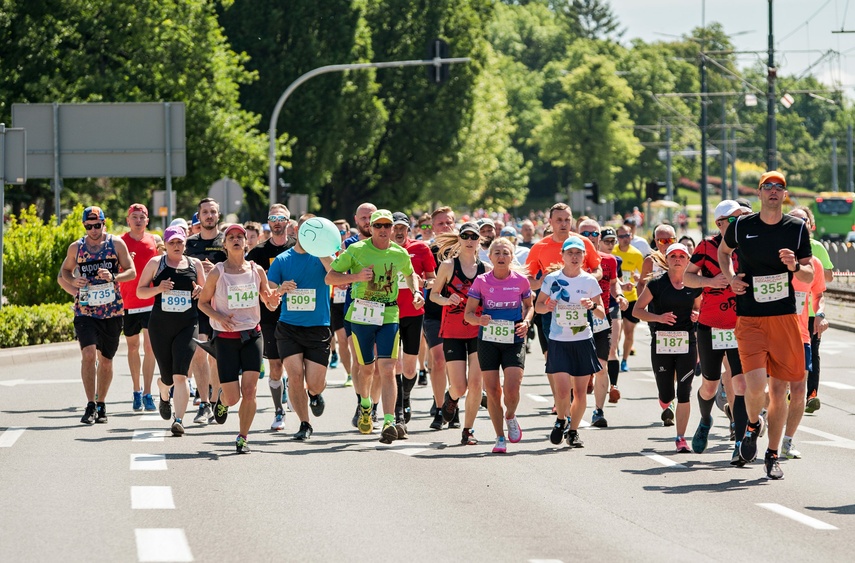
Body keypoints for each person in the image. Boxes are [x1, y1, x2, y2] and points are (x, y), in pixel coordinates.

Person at [719, 171, 814, 480]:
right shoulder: (742, 225)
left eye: (779, 187)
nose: (774, 191)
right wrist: (731, 277)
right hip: (750, 318)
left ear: (784, 195)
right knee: (755, 385)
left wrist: (795, 266)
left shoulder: (796, 229)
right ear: (759, 193)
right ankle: (751, 425)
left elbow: (809, 276)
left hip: (785, 318)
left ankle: (772, 454)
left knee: (780, 389)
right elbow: (724, 251)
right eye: (768, 187)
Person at [326, 209, 423, 444]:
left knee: (388, 368)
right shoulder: (356, 250)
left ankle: (389, 421)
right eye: (377, 226)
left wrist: (416, 291)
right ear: (370, 227)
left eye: (386, 226)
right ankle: (366, 405)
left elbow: (411, 275)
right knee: (366, 369)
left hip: (389, 313)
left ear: (392, 228)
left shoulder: (399, 253)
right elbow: (330, 277)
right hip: (361, 315)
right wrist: (356, 277)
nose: (382, 230)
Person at [197, 224, 280, 453]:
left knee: (251, 390)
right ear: (225, 244)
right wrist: (219, 316)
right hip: (225, 338)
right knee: (234, 398)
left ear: (246, 243)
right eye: (231, 237)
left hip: (252, 334)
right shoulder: (218, 272)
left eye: (240, 237)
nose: (236, 240)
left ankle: (243, 436)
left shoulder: (256, 270)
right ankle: (222, 399)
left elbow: (268, 301)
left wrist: (273, 299)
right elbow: (202, 303)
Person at [684, 200, 748, 461]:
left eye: (743, 219)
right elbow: (688, 277)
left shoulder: (749, 246)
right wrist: (710, 281)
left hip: (741, 325)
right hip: (710, 325)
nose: (739, 225)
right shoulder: (707, 246)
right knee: (709, 386)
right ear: (720, 223)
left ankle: (741, 440)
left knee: (740, 382)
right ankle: (706, 419)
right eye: (734, 220)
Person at [60, 206, 136, 424]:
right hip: (85, 310)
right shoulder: (77, 248)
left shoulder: (116, 244)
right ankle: (90, 405)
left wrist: (113, 276)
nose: (94, 230)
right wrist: (73, 281)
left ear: (104, 223)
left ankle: (101, 402)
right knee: (89, 354)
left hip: (111, 310)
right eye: (89, 226)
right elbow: (65, 271)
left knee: (106, 361)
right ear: (85, 226)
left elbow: (131, 271)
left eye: (98, 225)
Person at [525, 204, 602, 404]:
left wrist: (586, 281)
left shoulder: (583, 242)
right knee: (553, 355)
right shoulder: (539, 247)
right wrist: (545, 283)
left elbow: (597, 269)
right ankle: (561, 399)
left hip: (580, 307)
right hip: (551, 308)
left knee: (581, 354)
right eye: (559, 220)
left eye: (567, 219)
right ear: (550, 222)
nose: (563, 224)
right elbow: (528, 279)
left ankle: (578, 386)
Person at [268, 214, 334, 440]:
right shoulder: (282, 260)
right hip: (289, 327)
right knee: (294, 376)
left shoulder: (323, 257)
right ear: (296, 230)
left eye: (315, 230)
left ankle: (314, 394)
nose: (309, 234)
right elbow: (268, 294)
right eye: (306, 229)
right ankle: (305, 423)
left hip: (318, 327)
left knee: (315, 383)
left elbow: (338, 275)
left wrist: (323, 251)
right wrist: (280, 290)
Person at [534, 236, 605, 449]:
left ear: (584, 257)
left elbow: (601, 313)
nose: (574, 257)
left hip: (582, 340)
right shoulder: (552, 279)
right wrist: (547, 305)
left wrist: (591, 306)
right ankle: (561, 420)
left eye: (578, 253)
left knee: (581, 392)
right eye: (570, 253)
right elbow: (537, 306)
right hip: (558, 340)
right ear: (562, 256)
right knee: (564, 391)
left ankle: (573, 431)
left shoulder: (589, 281)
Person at [633, 243, 703, 452]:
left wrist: (697, 315)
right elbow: (637, 310)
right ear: (667, 259)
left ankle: (681, 438)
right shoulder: (656, 284)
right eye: (674, 256)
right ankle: (665, 402)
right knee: (666, 394)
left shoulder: (694, 284)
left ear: (688, 259)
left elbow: (700, 309)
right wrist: (658, 318)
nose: (678, 259)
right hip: (662, 343)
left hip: (687, 343)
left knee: (684, 391)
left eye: (682, 256)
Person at [465, 238, 533, 453]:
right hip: (488, 340)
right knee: (493, 391)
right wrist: (479, 320)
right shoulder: (482, 281)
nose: (501, 256)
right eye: (497, 253)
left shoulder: (521, 281)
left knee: (512, 389)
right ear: (490, 257)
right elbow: (468, 314)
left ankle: (510, 415)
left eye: (505, 253)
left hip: (513, 337)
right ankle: (499, 437)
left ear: (512, 257)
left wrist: (527, 321)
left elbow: (529, 307)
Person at [136, 226, 205, 436]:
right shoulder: (157, 263)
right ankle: (163, 392)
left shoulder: (195, 264)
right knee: (167, 378)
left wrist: (201, 291)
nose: (176, 246)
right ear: (165, 245)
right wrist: (158, 288)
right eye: (172, 242)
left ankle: (179, 419)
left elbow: (206, 294)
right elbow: (140, 291)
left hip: (188, 324)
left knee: (181, 375)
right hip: (161, 326)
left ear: (185, 243)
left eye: (180, 242)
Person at [431, 223, 488, 445]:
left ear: (479, 241)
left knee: (475, 384)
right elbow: (434, 295)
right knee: (460, 386)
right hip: (453, 329)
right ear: (460, 238)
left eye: (474, 236)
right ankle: (451, 397)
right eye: (465, 236)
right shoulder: (448, 266)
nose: (470, 240)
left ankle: (468, 430)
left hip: (477, 329)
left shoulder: (485, 269)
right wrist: (447, 299)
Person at [246, 204, 296, 431]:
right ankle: (279, 410)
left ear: (288, 222)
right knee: (275, 365)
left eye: (281, 218)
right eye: (272, 218)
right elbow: (246, 280)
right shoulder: (258, 252)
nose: (277, 222)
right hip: (269, 315)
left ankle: (301, 393)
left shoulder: (298, 248)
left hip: (297, 314)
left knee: (296, 365)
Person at [390, 212, 436, 430]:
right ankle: (398, 411)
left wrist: (422, 283)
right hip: (388, 314)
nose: (399, 232)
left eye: (402, 228)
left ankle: (406, 396)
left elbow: (433, 280)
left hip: (413, 313)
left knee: (409, 369)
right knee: (395, 364)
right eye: (395, 228)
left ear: (409, 230)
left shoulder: (420, 249)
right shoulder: (381, 250)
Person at [577, 219, 625, 427]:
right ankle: (570, 408)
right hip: (574, 321)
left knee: (601, 367)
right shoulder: (571, 259)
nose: (590, 239)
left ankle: (598, 410)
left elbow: (614, 285)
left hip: (600, 318)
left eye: (594, 234)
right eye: (585, 235)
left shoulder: (610, 260)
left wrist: (620, 296)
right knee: (576, 370)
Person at [184, 198, 227, 423]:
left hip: (222, 306)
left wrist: (217, 272)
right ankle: (205, 404)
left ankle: (218, 396)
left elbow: (240, 269)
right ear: (199, 217)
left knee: (216, 356)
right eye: (205, 212)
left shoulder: (227, 241)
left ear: (218, 215)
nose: (209, 216)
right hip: (198, 305)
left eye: (213, 212)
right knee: (199, 352)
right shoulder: (189, 244)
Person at [788, 206, 834, 413]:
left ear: (810, 224)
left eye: (803, 220)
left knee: (811, 353)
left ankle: (809, 394)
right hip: (782, 315)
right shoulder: (780, 250)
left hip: (810, 313)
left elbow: (826, 281)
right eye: (794, 219)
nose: (799, 224)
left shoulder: (817, 250)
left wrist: (810, 270)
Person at [120, 203, 163, 412]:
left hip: (150, 301)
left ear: (147, 221)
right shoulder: (120, 242)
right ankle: (136, 390)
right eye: (134, 217)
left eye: (142, 217)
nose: (138, 221)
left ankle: (148, 393)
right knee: (133, 347)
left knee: (150, 347)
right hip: (128, 302)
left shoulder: (154, 241)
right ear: (128, 220)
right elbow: (114, 270)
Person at [423, 206, 456, 428]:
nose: (446, 226)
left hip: (459, 314)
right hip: (434, 312)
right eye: (441, 223)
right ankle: (438, 407)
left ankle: (453, 405)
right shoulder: (426, 250)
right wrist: (429, 283)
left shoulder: (465, 248)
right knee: (438, 360)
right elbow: (421, 278)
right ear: (433, 227)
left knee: (455, 364)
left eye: (449, 222)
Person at [598, 227, 627, 402]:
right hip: (591, 309)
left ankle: (613, 386)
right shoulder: (584, 258)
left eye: (612, 241)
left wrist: (622, 293)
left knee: (612, 348)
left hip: (611, 306)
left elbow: (615, 283)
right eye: (607, 241)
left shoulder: (615, 260)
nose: (610, 245)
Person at [330, 219, 352, 381]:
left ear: (348, 233)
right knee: (342, 340)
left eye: (343, 232)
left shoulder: (355, 250)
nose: (340, 235)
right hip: (334, 301)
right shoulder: (328, 253)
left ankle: (359, 371)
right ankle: (350, 374)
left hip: (352, 299)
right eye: (336, 233)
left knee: (354, 341)